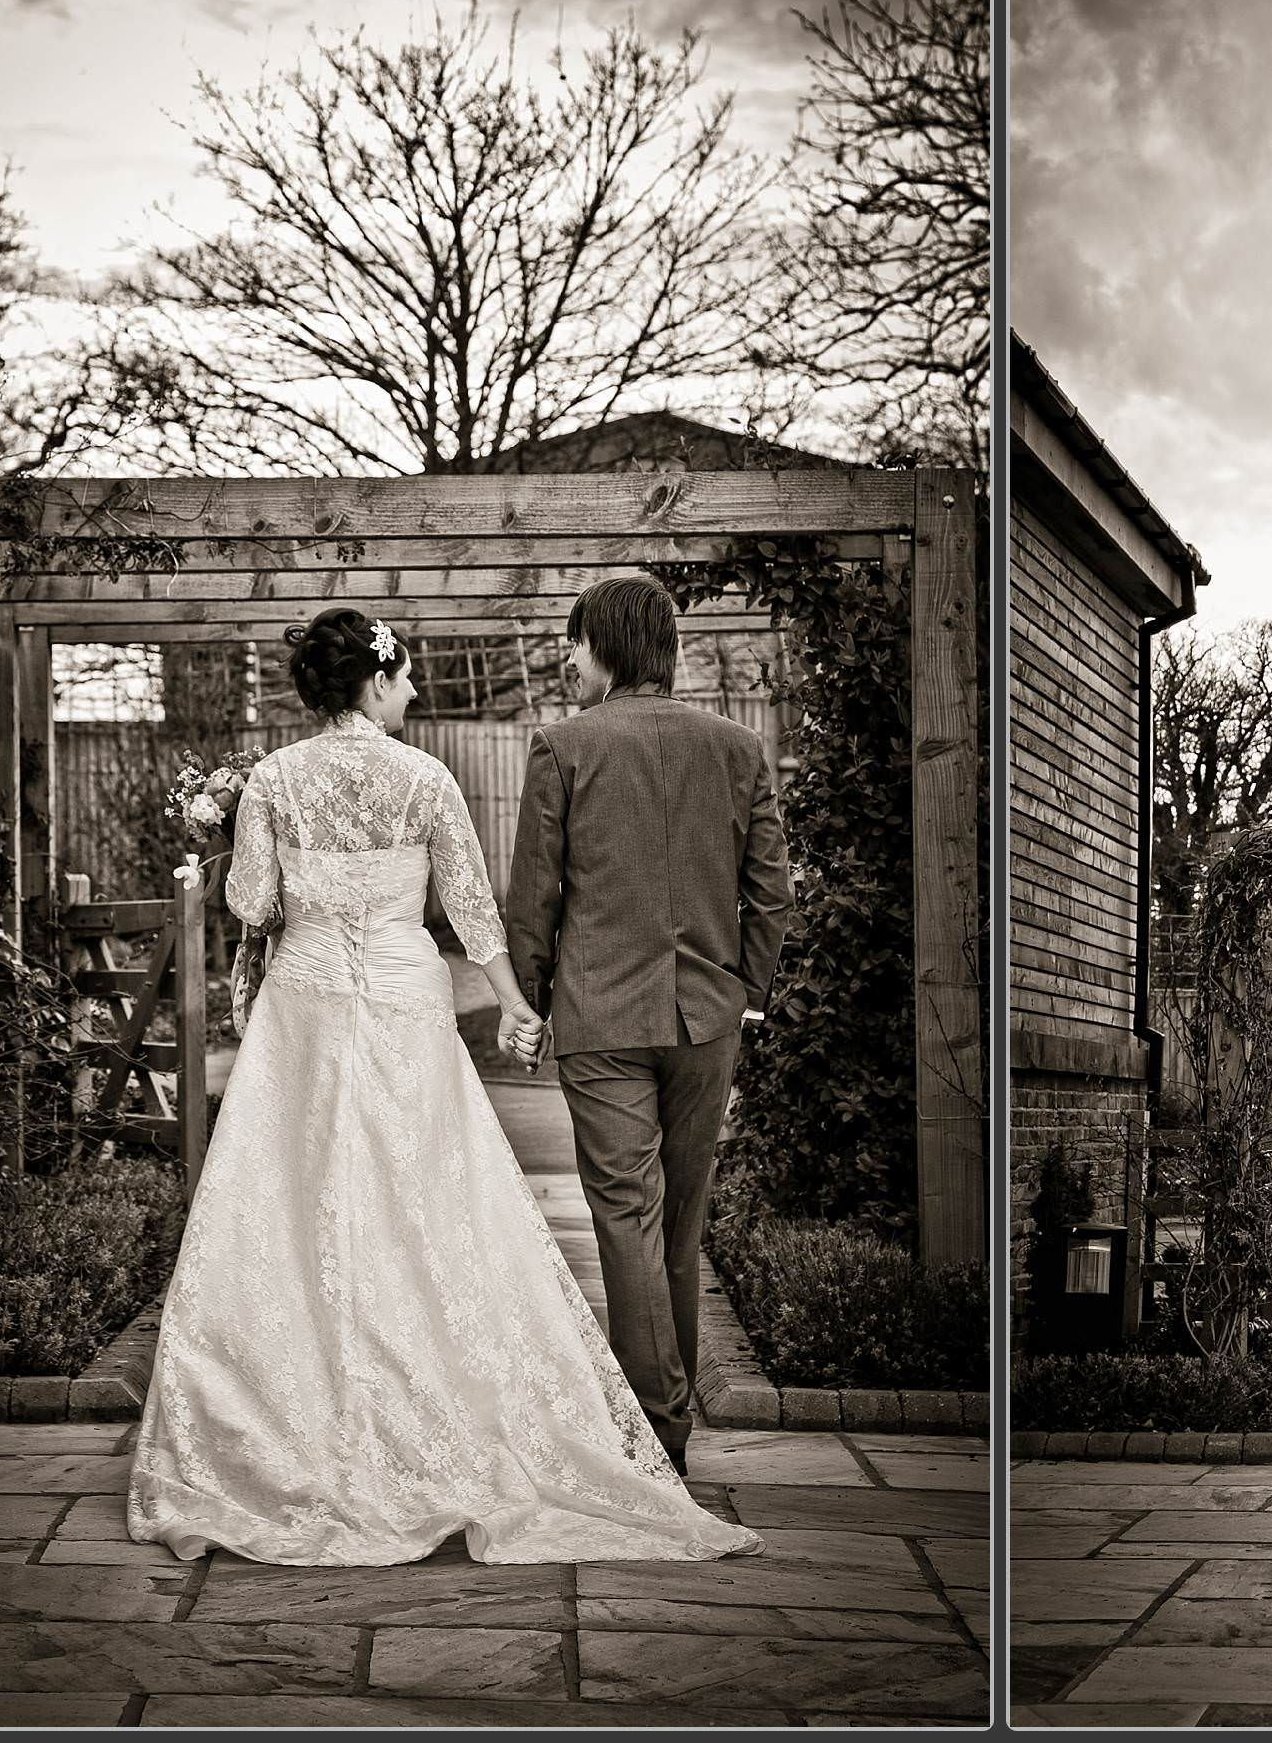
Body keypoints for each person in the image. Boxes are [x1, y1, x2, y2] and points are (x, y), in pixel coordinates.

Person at [127, 607, 761, 1566]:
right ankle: (471, 1413)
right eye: (408, 678)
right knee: (426, 1202)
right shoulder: (424, 779)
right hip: (400, 1003)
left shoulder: (272, 779)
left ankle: (286, 1417)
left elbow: (251, 902)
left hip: (302, 1011)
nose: (416, 693)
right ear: (374, 683)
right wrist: (516, 1004)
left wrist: (235, 839)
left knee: (292, 1207)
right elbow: (476, 912)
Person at [506, 574, 792, 1479]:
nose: (567, 660)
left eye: (576, 644)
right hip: (708, 1018)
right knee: (679, 1217)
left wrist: (533, 998)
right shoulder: (739, 747)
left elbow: (533, 896)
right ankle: (662, 1414)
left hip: (600, 1015)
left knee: (626, 1214)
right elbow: (772, 893)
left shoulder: (562, 746)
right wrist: (745, 990)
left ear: (609, 649)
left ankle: (655, 1424)